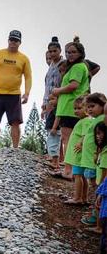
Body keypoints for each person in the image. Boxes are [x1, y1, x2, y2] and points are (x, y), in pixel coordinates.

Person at [51, 36, 91, 177]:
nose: (69, 54)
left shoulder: (78, 67)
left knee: (68, 140)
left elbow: (74, 85)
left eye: (73, 52)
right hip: (69, 107)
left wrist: (57, 91)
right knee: (71, 140)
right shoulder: (77, 66)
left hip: (70, 108)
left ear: (80, 53)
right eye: (68, 52)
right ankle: (72, 170)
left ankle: (68, 171)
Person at [62, 96, 90, 205]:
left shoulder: (85, 121)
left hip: (79, 154)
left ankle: (77, 198)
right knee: (82, 177)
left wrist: (81, 142)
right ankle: (84, 198)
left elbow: (86, 134)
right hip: (79, 155)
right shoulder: (82, 121)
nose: (76, 111)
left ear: (87, 109)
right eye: (74, 108)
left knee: (78, 176)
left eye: (79, 108)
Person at [42, 37, 65, 170]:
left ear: (59, 51)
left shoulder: (63, 64)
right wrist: (44, 103)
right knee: (50, 127)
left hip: (59, 100)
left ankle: (57, 160)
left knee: (56, 129)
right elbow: (47, 86)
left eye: (54, 51)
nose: (52, 54)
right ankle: (54, 157)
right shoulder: (50, 66)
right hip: (50, 100)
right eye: (50, 51)